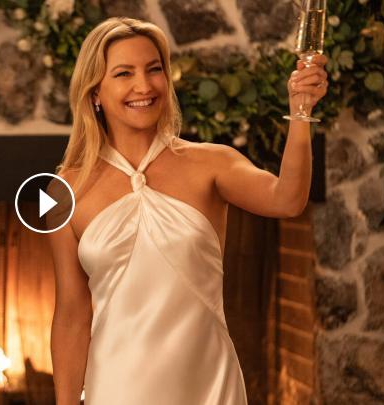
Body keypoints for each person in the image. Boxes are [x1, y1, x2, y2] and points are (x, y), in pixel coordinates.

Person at [48, 17, 328, 404]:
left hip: (208, 386)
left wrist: (300, 112)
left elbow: (288, 199)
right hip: (116, 388)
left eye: (154, 69)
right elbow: (71, 315)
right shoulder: (64, 191)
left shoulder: (212, 163)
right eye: (124, 73)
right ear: (95, 91)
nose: (144, 86)